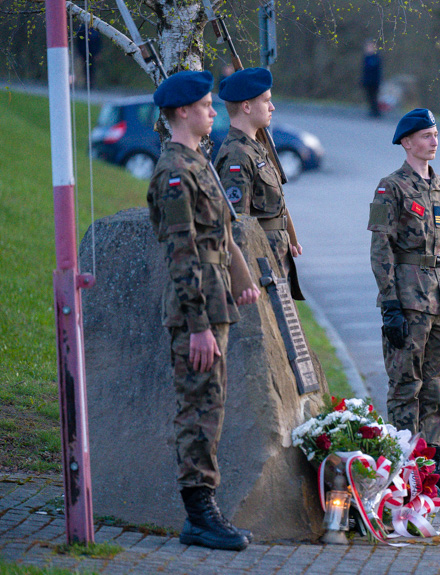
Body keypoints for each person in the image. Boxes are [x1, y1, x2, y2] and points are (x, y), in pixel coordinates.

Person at [146, 71, 261, 551]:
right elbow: (182, 252)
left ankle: (206, 510)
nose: (213, 112)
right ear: (181, 113)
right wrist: (197, 327)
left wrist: (241, 278)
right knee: (199, 409)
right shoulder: (175, 172)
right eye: (206, 106)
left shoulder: (199, 163)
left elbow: (222, 234)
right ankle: (199, 516)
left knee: (211, 404)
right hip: (196, 310)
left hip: (215, 301)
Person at [367, 108, 440, 500]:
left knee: (434, 388)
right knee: (404, 386)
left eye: (436, 133)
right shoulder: (389, 187)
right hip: (408, 303)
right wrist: (389, 303)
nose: (434, 141)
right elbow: (381, 247)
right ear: (407, 142)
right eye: (426, 135)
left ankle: (432, 469)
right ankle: (403, 471)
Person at [214, 67, 304, 300]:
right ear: (246, 107)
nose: (272, 107)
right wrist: (245, 276)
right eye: (266, 101)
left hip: (274, 259)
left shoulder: (255, 148)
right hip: (260, 265)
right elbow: (237, 225)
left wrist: (289, 236)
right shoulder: (237, 156)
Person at [362, 40, 382, 118]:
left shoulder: (376, 57)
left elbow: (375, 70)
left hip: (374, 81)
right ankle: (372, 111)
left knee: (374, 96)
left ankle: (376, 112)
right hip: (368, 81)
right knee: (369, 96)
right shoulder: (366, 57)